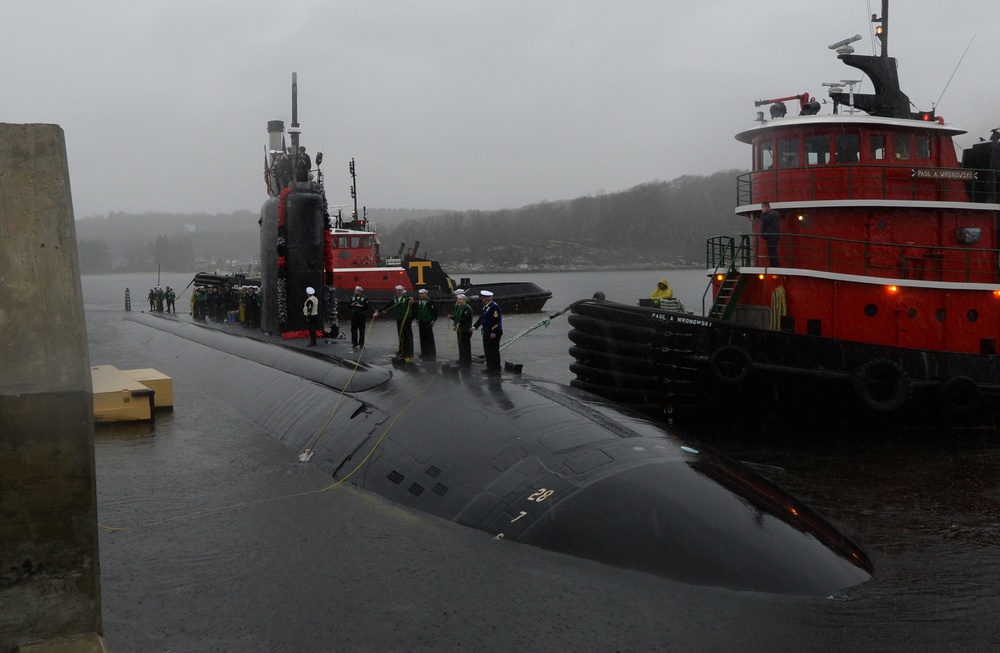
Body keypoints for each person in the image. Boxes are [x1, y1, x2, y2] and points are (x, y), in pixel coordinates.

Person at [375, 285, 414, 362]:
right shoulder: (395, 298)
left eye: (400, 291)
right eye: (397, 291)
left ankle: (409, 354)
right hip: (399, 318)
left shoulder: (407, 298)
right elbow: (388, 305)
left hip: (406, 319)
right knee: (401, 335)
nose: (398, 292)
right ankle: (402, 352)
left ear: (402, 291)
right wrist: (378, 312)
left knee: (407, 336)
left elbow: (413, 306)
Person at [471, 290, 503, 375]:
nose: (482, 300)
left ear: (487, 299)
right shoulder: (486, 307)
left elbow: (496, 321)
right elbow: (482, 318)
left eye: (483, 298)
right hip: (486, 331)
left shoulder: (494, 307)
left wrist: (494, 332)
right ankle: (490, 367)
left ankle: (496, 368)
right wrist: (474, 327)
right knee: (487, 350)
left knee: (494, 350)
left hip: (494, 333)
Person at [450, 292, 474, 369]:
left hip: (465, 329)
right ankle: (462, 359)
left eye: (460, 299)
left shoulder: (467, 307)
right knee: (461, 344)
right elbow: (458, 318)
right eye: (458, 299)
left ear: (464, 300)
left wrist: (459, 323)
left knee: (465, 345)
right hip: (460, 329)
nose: (458, 301)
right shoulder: (460, 307)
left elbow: (466, 318)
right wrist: (452, 318)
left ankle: (467, 361)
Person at [415, 288, 437, 360]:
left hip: (428, 321)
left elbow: (434, 311)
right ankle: (424, 353)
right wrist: (417, 319)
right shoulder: (420, 301)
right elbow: (418, 311)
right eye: (420, 294)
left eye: (422, 294)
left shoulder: (429, 301)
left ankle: (431, 353)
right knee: (422, 337)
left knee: (429, 338)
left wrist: (433, 320)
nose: (420, 295)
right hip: (421, 321)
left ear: (425, 294)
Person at [760, 201, 780, 267]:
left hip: (772, 236)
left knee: (772, 251)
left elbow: (764, 221)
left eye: (763, 207)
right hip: (771, 236)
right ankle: (773, 264)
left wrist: (763, 214)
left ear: (767, 207)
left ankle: (774, 265)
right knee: (771, 251)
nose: (762, 209)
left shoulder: (771, 214)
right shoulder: (772, 214)